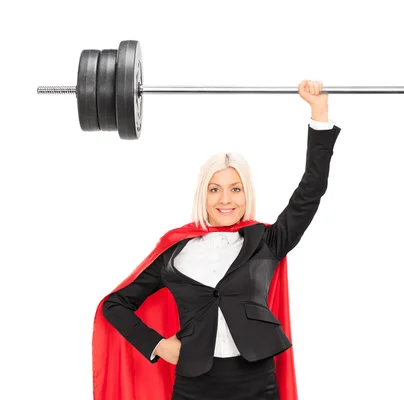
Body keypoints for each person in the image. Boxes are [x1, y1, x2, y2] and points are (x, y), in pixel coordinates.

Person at [93, 80, 341, 400]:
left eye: (235, 189)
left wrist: (319, 113)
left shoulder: (266, 241)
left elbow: (310, 192)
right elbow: (115, 305)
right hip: (194, 385)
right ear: (203, 195)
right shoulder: (174, 251)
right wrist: (157, 345)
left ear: (245, 194)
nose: (226, 199)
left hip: (257, 383)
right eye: (215, 189)